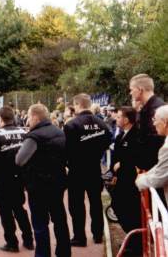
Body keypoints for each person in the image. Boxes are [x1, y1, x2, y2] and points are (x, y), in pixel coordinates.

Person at [16, 104, 71, 257]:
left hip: (38, 185)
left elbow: (20, 160)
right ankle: (64, 252)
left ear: (35, 117)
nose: (27, 119)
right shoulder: (60, 132)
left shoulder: (34, 137)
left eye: (28, 115)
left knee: (40, 224)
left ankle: (43, 254)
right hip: (58, 182)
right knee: (60, 220)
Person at [0, 106, 34, 253]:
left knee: (5, 211)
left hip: (3, 179)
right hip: (20, 179)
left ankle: (12, 242)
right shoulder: (24, 133)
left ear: (0, 119)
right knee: (19, 209)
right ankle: (29, 240)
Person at [64, 93, 111, 246]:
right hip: (94, 168)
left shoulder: (71, 125)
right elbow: (107, 141)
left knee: (76, 205)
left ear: (77, 105)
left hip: (76, 170)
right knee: (96, 202)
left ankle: (79, 237)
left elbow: (66, 149)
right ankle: (98, 234)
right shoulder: (102, 124)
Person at [110, 106, 142, 255]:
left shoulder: (137, 136)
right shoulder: (120, 136)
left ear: (127, 120)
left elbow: (137, 157)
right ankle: (132, 238)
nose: (116, 120)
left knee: (131, 211)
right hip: (120, 180)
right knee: (117, 206)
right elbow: (116, 155)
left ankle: (136, 244)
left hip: (130, 182)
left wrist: (123, 164)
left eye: (119, 117)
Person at [129, 74, 165, 171]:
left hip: (154, 170)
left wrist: (146, 170)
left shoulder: (157, 109)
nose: (130, 93)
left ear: (140, 90)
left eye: (132, 89)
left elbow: (157, 143)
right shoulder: (145, 109)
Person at [136, 105, 168, 206]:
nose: (153, 124)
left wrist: (140, 181)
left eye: (155, 119)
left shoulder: (166, 148)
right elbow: (162, 166)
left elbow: (158, 179)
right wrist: (147, 174)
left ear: (165, 122)